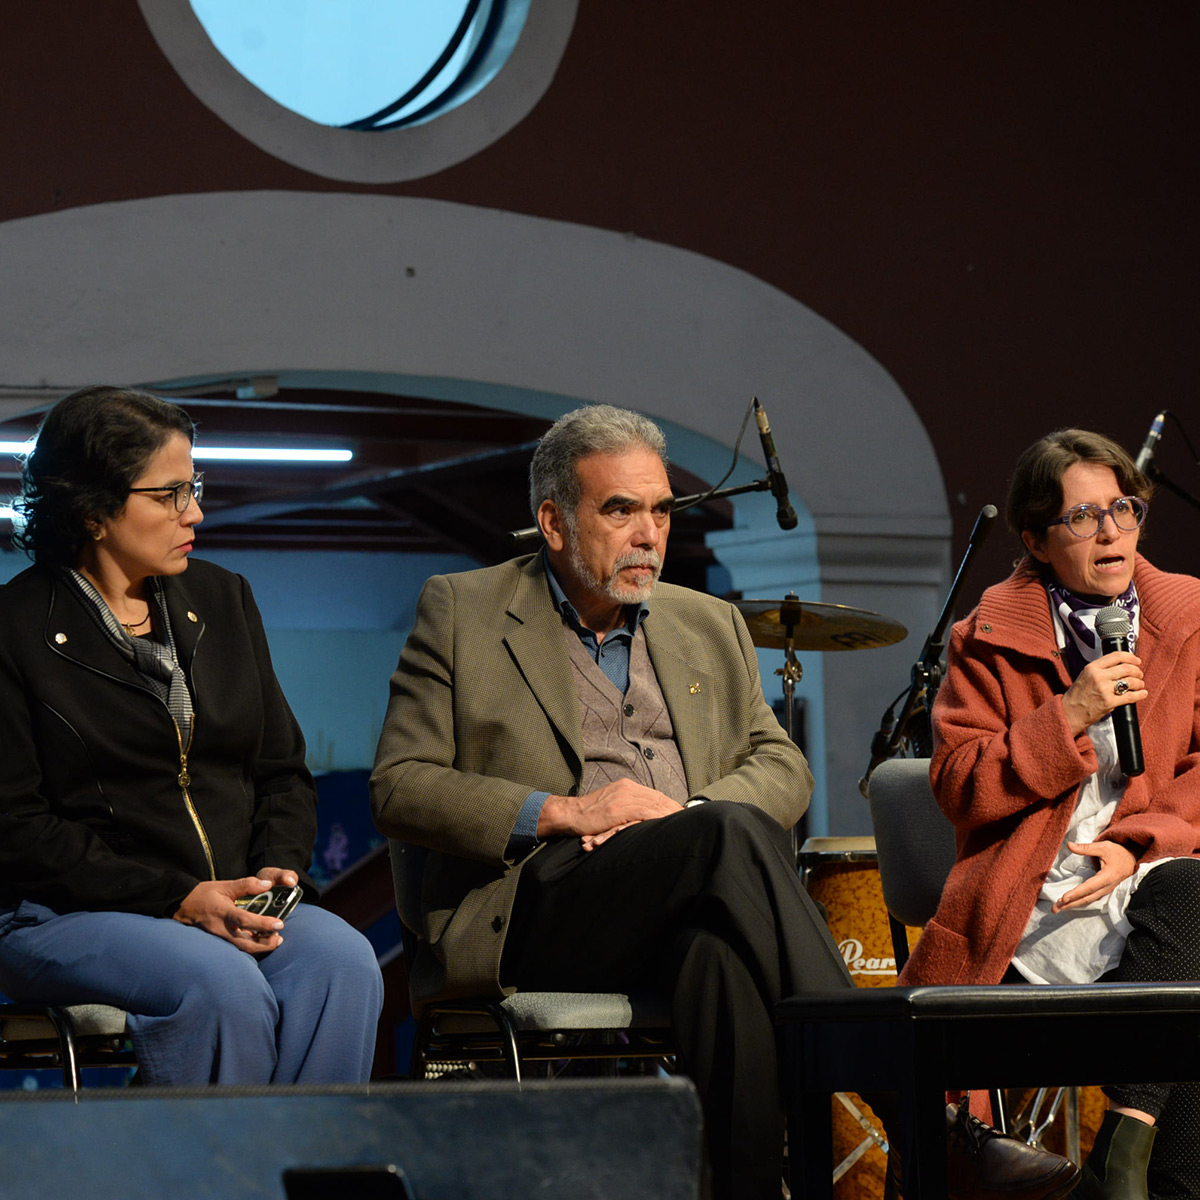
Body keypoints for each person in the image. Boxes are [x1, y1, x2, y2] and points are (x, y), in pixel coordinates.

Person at [371, 402, 1078, 1200]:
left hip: (689, 887)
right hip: (540, 905)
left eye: (662, 510)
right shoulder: (462, 610)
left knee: (721, 958)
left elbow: (779, 763)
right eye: (621, 510)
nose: (649, 534)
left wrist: (692, 821)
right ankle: (919, 1118)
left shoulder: (705, 621)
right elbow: (400, 786)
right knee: (728, 839)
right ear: (555, 521)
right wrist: (568, 812)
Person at [0, 386, 383, 1086]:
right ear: (91, 510)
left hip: (230, 899)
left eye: (194, 487)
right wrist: (178, 895)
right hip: (64, 913)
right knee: (222, 985)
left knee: (344, 963)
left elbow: (281, 770)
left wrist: (276, 875)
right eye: (170, 494)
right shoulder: (14, 630)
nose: (196, 513)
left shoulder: (223, 597)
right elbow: (19, 828)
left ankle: (305, 1173)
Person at [900, 428, 1200, 1199]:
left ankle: (1123, 1149)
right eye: (1082, 517)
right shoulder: (989, 637)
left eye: (1123, 509)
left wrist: (1136, 844)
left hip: (1151, 884)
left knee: (1194, 899)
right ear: (1035, 539)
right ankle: (1130, 1174)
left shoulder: (1187, 614)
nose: (1111, 532)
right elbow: (960, 785)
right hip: (1032, 904)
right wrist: (1067, 712)